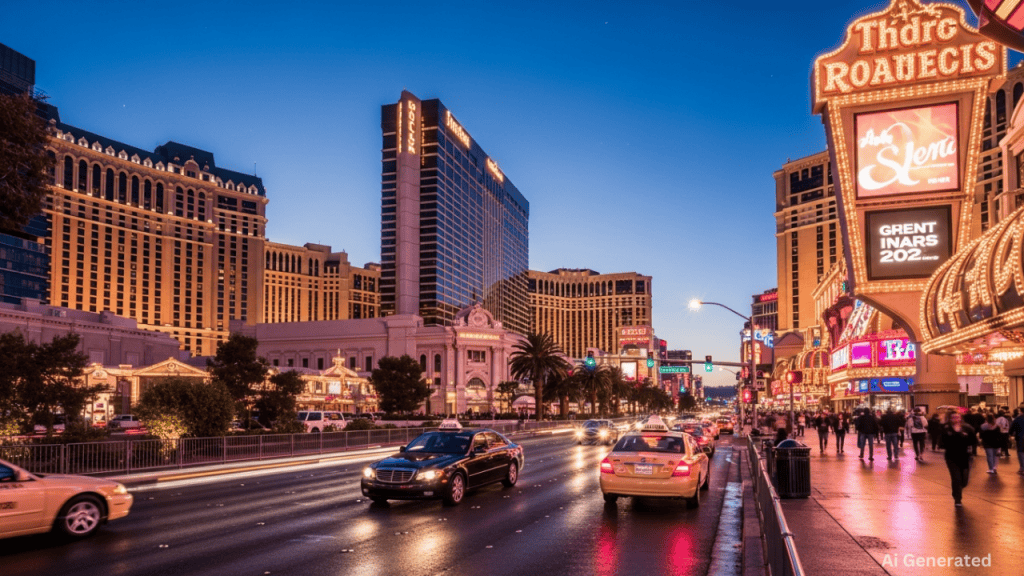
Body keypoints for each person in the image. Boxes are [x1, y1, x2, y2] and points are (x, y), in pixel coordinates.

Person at [942, 411, 977, 507]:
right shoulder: (946, 428)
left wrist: (966, 438)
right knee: (956, 477)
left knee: (964, 480)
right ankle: (957, 498)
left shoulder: (967, 428)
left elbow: (974, 441)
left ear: (960, 418)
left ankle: (959, 488)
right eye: (953, 417)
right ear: (950, 418)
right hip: (951, 457)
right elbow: (941, 442)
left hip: (965, 456)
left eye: (957, 417)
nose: (956, 419)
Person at [1009, 409, 1024, 476]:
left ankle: (1022, 468)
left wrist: (1011, 434)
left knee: (1021, 453)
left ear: (1021, 411)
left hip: (1020, 437)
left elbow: (1012, 428)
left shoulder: (1018, 419)